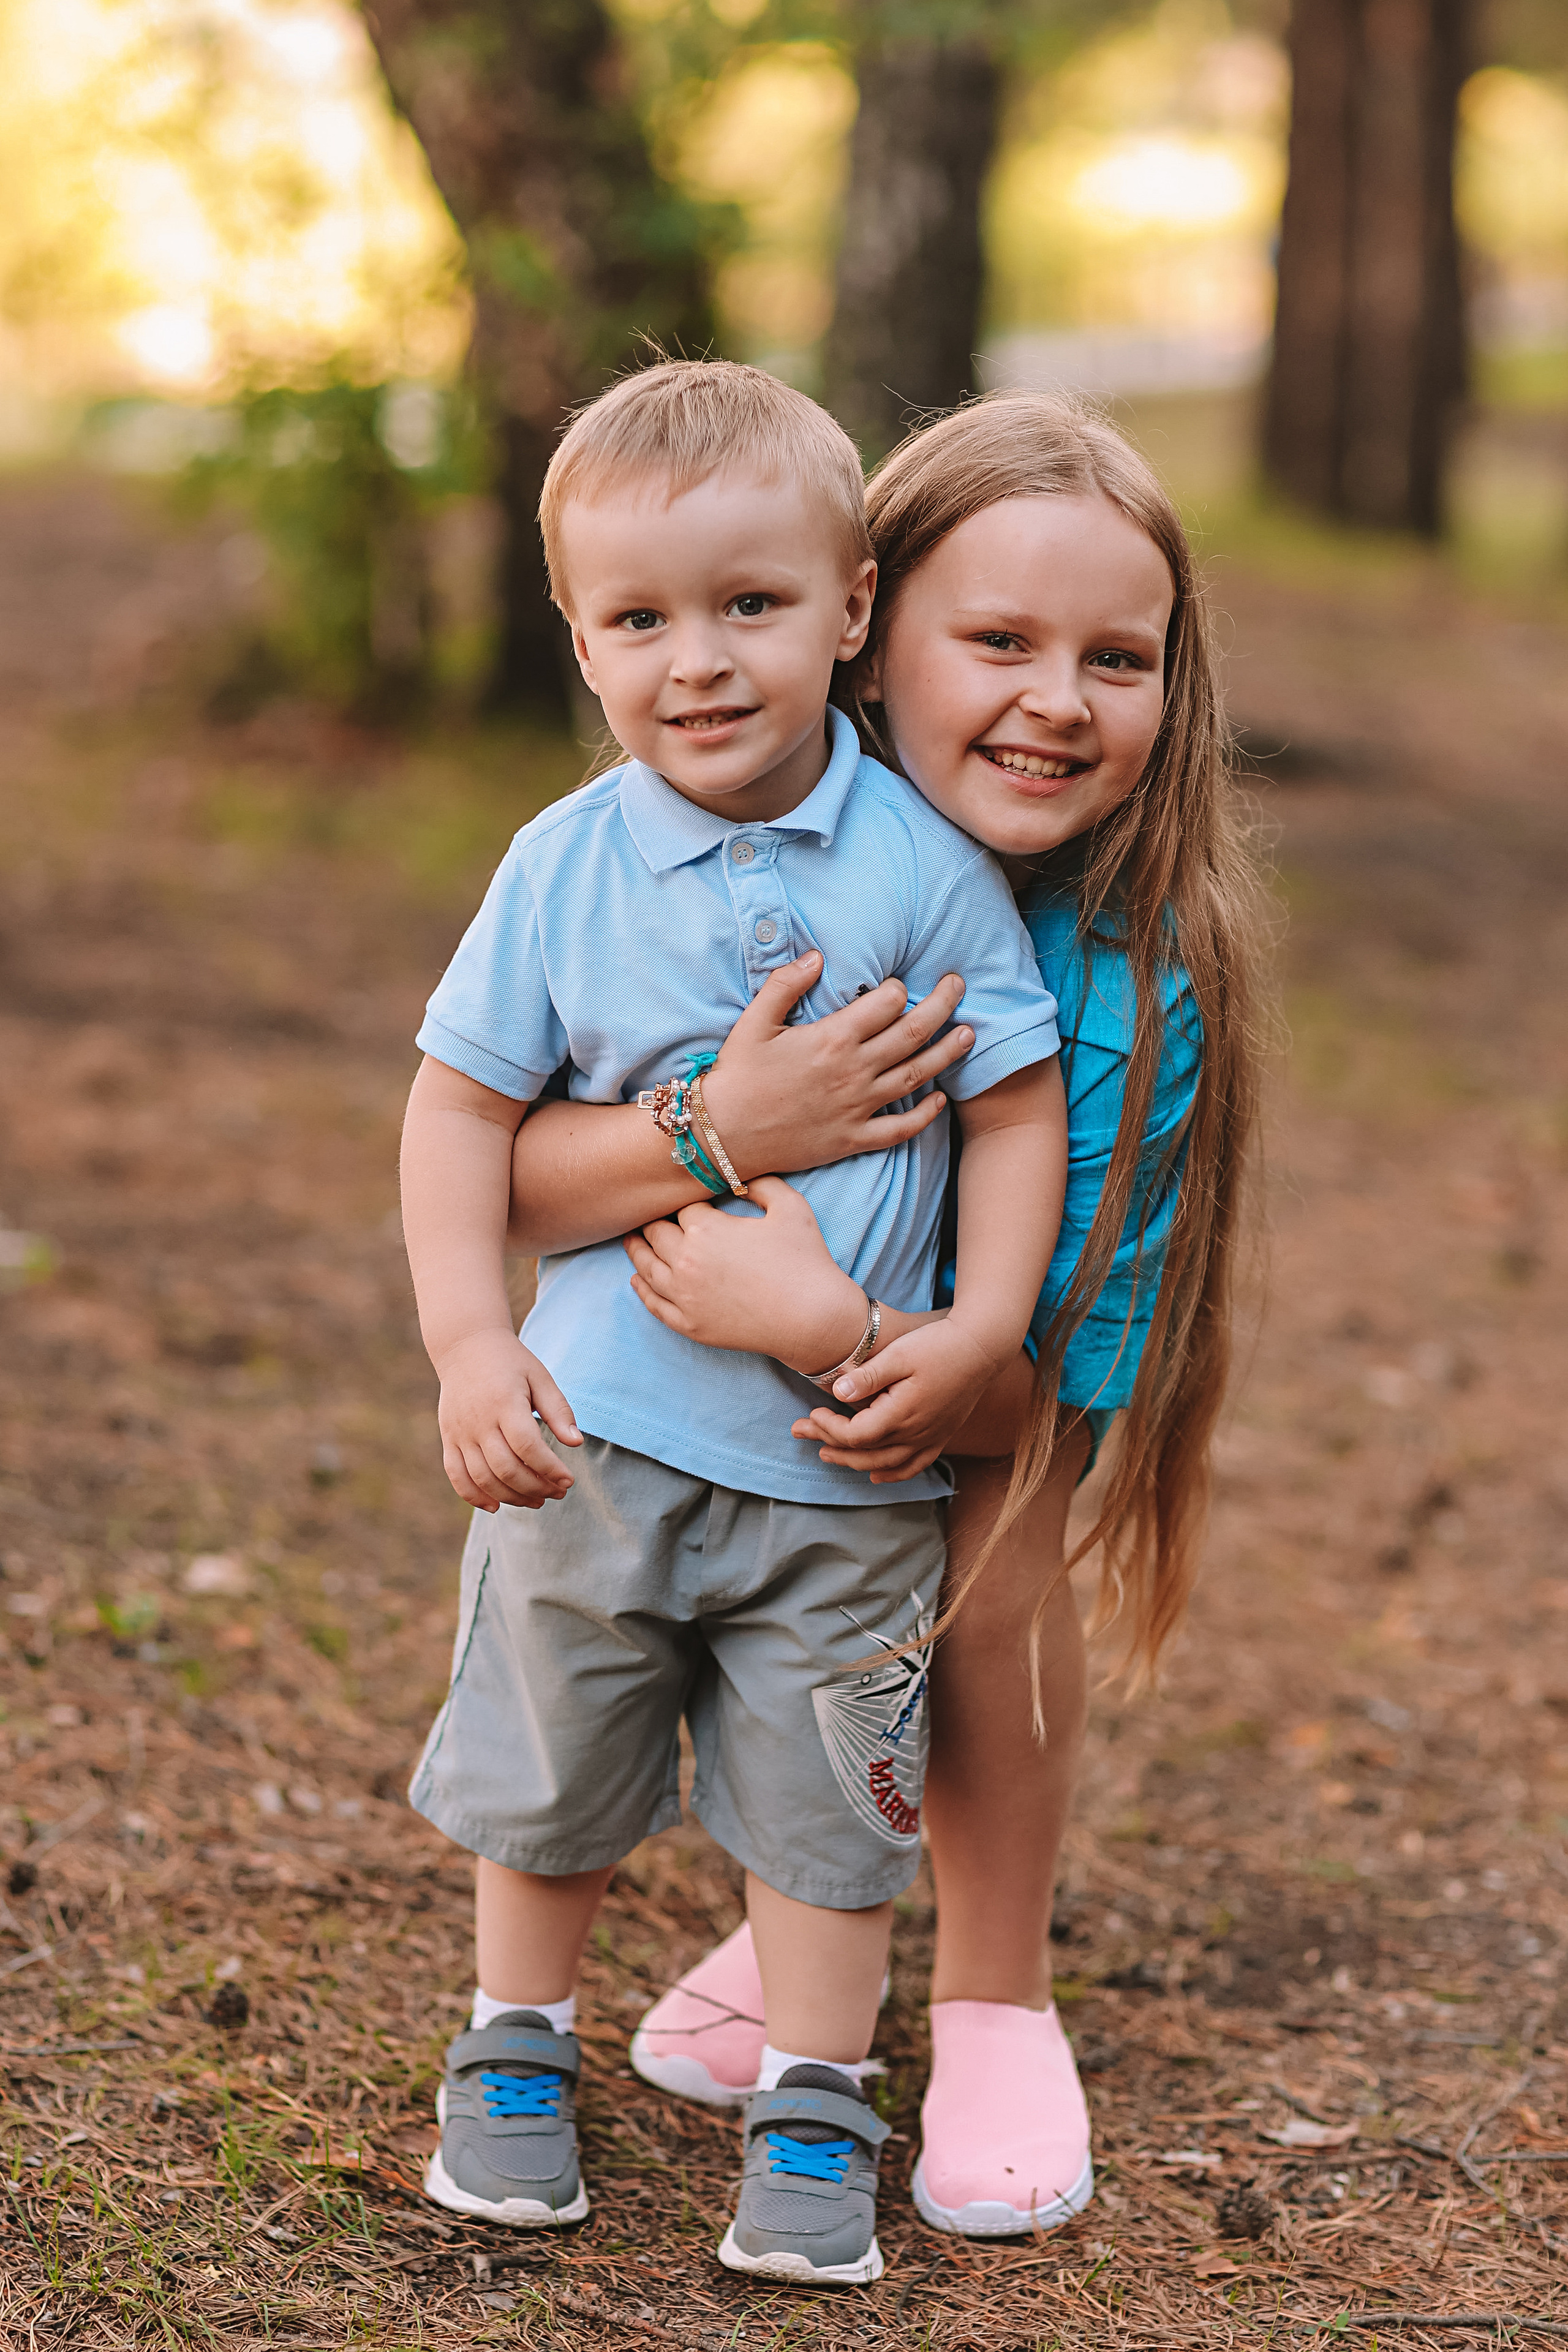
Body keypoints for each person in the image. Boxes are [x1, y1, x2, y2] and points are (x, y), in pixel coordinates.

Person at [504, 390, 1267, 2238]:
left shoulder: (1130, 989)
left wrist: (832, 1325)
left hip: (940, 1465)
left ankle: (999, 1997)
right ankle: (793, 1910)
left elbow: (1059, 1410)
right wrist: (716, 1127)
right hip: (698, 1452)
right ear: (864, 627)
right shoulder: (698, 869)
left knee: (992, 1556)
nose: (1058, 700)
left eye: (1117, 658)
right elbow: (514, 1169)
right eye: (995, 641)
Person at [399, 360, 1071, 2285]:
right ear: (582, 642)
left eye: (750, 606)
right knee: (552, 1765)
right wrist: (467, 1344)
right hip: (595, 1442)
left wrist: (985, 1318)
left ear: (851, 607)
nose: (696, 662)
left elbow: (1015, 1104)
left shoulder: (927, 872)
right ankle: (515, 2045)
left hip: (842, 1473)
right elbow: (460, 1112)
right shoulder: (563, 868)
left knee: (831, 1797)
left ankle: (811, 2090)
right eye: (640, 620)